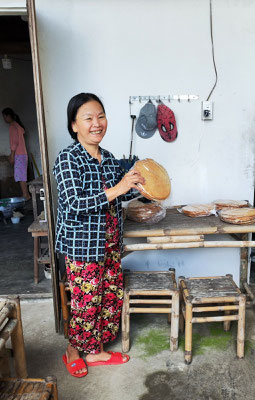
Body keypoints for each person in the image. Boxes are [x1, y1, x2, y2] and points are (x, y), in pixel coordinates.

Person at [53, 92, 145, 378]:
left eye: (101, 116)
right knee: (84, 303)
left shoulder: (108, 158)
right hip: (82, 246)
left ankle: (95, 352)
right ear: (74, 126)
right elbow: (74, 204)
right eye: (88, 118)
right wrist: (118, 189)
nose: (97, 123)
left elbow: (118, 195)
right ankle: (72, 351)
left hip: (110, 244)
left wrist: (138, 185)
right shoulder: (68, 159)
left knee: (108, 298)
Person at [2, 107, 31, 200]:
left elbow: (14, 142)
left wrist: (12, 155)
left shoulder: (13, 126)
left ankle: (25, 195)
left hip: (19, 154)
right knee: (22, 175)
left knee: (21, 176)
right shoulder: (19, 126)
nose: (4, 119)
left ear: (7, 116)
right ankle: (26, 194)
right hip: (23, 154)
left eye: (4, 117)